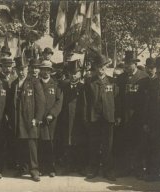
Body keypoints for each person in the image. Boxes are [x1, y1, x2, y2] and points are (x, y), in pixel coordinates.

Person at [9, 57, 45, 182]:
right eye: (19, 69)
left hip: (30, 120)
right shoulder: (14, 84)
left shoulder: (34, 82)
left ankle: (34, 170)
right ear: (16, 70)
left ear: (27, 69)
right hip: (18, 120)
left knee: (31, 146)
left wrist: (37, 118)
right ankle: (23, 168)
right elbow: (10, 103)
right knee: (21, 145)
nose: (21, 72)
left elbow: (41, 102)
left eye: (23, 69)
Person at [85, 53, 118, 181]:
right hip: (94, 118)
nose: (101, 69)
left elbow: (117, 100)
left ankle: (108, 170)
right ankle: (93, 168)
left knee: (107, 145)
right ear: (95, 68)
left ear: (106, 66)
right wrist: (87, 117)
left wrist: (117, 116)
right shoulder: (90, 82)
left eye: (103, 66)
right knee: (94, 144)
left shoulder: (112, 81)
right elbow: (86, 102)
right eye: (98, 66)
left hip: (108, 118)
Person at [115, 51, 148, 178]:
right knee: (125, 142)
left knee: (138, 142)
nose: (127, 66)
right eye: (126, 63)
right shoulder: (121, 77)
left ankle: (138, 169)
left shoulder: (143, 77)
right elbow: (118, 98)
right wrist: (118, 115)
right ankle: (125, 168)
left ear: (135, 63)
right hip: (124, 117)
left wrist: (144, 119)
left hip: (138, 117)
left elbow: (146, 100)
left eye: (129, 64)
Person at [57, 58, 88, 175]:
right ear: (68, 74)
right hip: (67, 118)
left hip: (79, 118)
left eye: (76, 73)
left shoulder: (83, 87)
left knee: (79, 142)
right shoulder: (64, 86)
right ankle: (69, 165)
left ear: (80, 73)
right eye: (71, 73)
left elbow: (85, 103)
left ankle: (80, 166)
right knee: (67, 141)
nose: (74, 76)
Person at [143, 56, 160, 181]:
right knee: (155, 147)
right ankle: (154, 172)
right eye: (159, 69)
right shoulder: (152, 83)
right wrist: (146, 122)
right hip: (155, 122)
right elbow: (148, 104)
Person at [38, 60, 63, 177]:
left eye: (48, 70)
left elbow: (59, 101)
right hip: (39, 118)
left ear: (51, 71)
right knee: (41, 143)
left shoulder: (56, 84)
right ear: (41, 71)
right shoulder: (36, 83)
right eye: (44, 69)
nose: (46, 72)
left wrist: (52, 114)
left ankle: (51, 168)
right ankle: (42, 168)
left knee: (51, 143)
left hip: (51, 119)